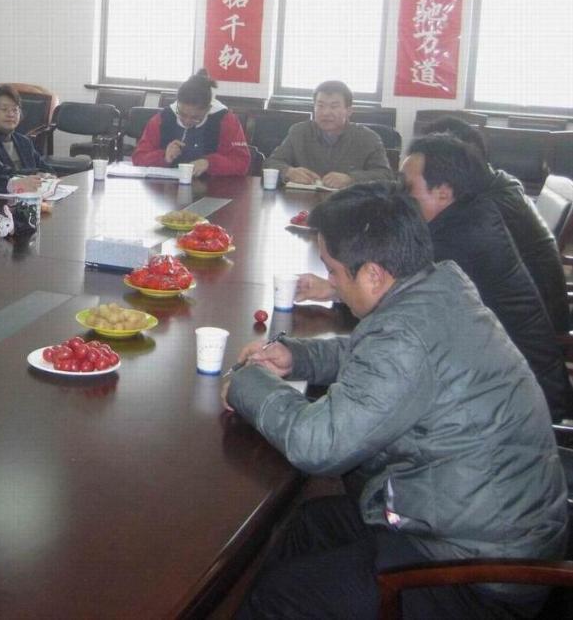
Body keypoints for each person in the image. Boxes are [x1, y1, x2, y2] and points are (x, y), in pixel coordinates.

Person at [225, 182, 568, 619]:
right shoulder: (437, 287)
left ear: (373, 274)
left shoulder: (406, 334)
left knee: (279, 595)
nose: (331, 282)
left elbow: (318, 443)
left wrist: (246, 383)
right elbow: (377, 356)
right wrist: (299, 357)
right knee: (308, 525)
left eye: (333, 271)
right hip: (478, 520)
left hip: (483, 575)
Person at [298, 133, 573, 420]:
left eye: (407, 187)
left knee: (342, 391)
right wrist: (335, 288)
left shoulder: (456, 242)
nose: (398, 194)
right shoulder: (467, 214)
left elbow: (392, 311)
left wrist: (337, 289)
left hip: (520, 409)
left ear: (443, 191)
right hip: (496, 387)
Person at [420, 115, 569, 334]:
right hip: (528, 315)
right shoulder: (497, 184)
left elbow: (429, 264)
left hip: (524, 332)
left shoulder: (483, 211)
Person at [264, 80, 394, 188]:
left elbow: (386, 176)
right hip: (303, 202)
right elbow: (271, 162)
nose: (326, 112)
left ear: (349, 111)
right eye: (320, 106)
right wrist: (288, 172)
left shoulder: (368, 138)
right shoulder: (299, 132)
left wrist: (351, 179)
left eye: (334, 106)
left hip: (349, 204)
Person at [131, 69, 249, 177]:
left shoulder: (226, 120)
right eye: (182, 114)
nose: (187, 121)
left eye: (195, 118)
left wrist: (209, 163)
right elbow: (138, 157)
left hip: (214, 187)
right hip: (166, 188)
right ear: (178, 104)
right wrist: (163, 156)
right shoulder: (162, 119)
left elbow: (242, 163)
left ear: (208, 109)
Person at [0, 84, 54, 174]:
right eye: (4, 109)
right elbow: (0, 176)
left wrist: (48, 175)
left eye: (15, 110)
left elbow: (46, 169)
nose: (11, 114)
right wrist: (34, 174)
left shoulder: (24, 141)